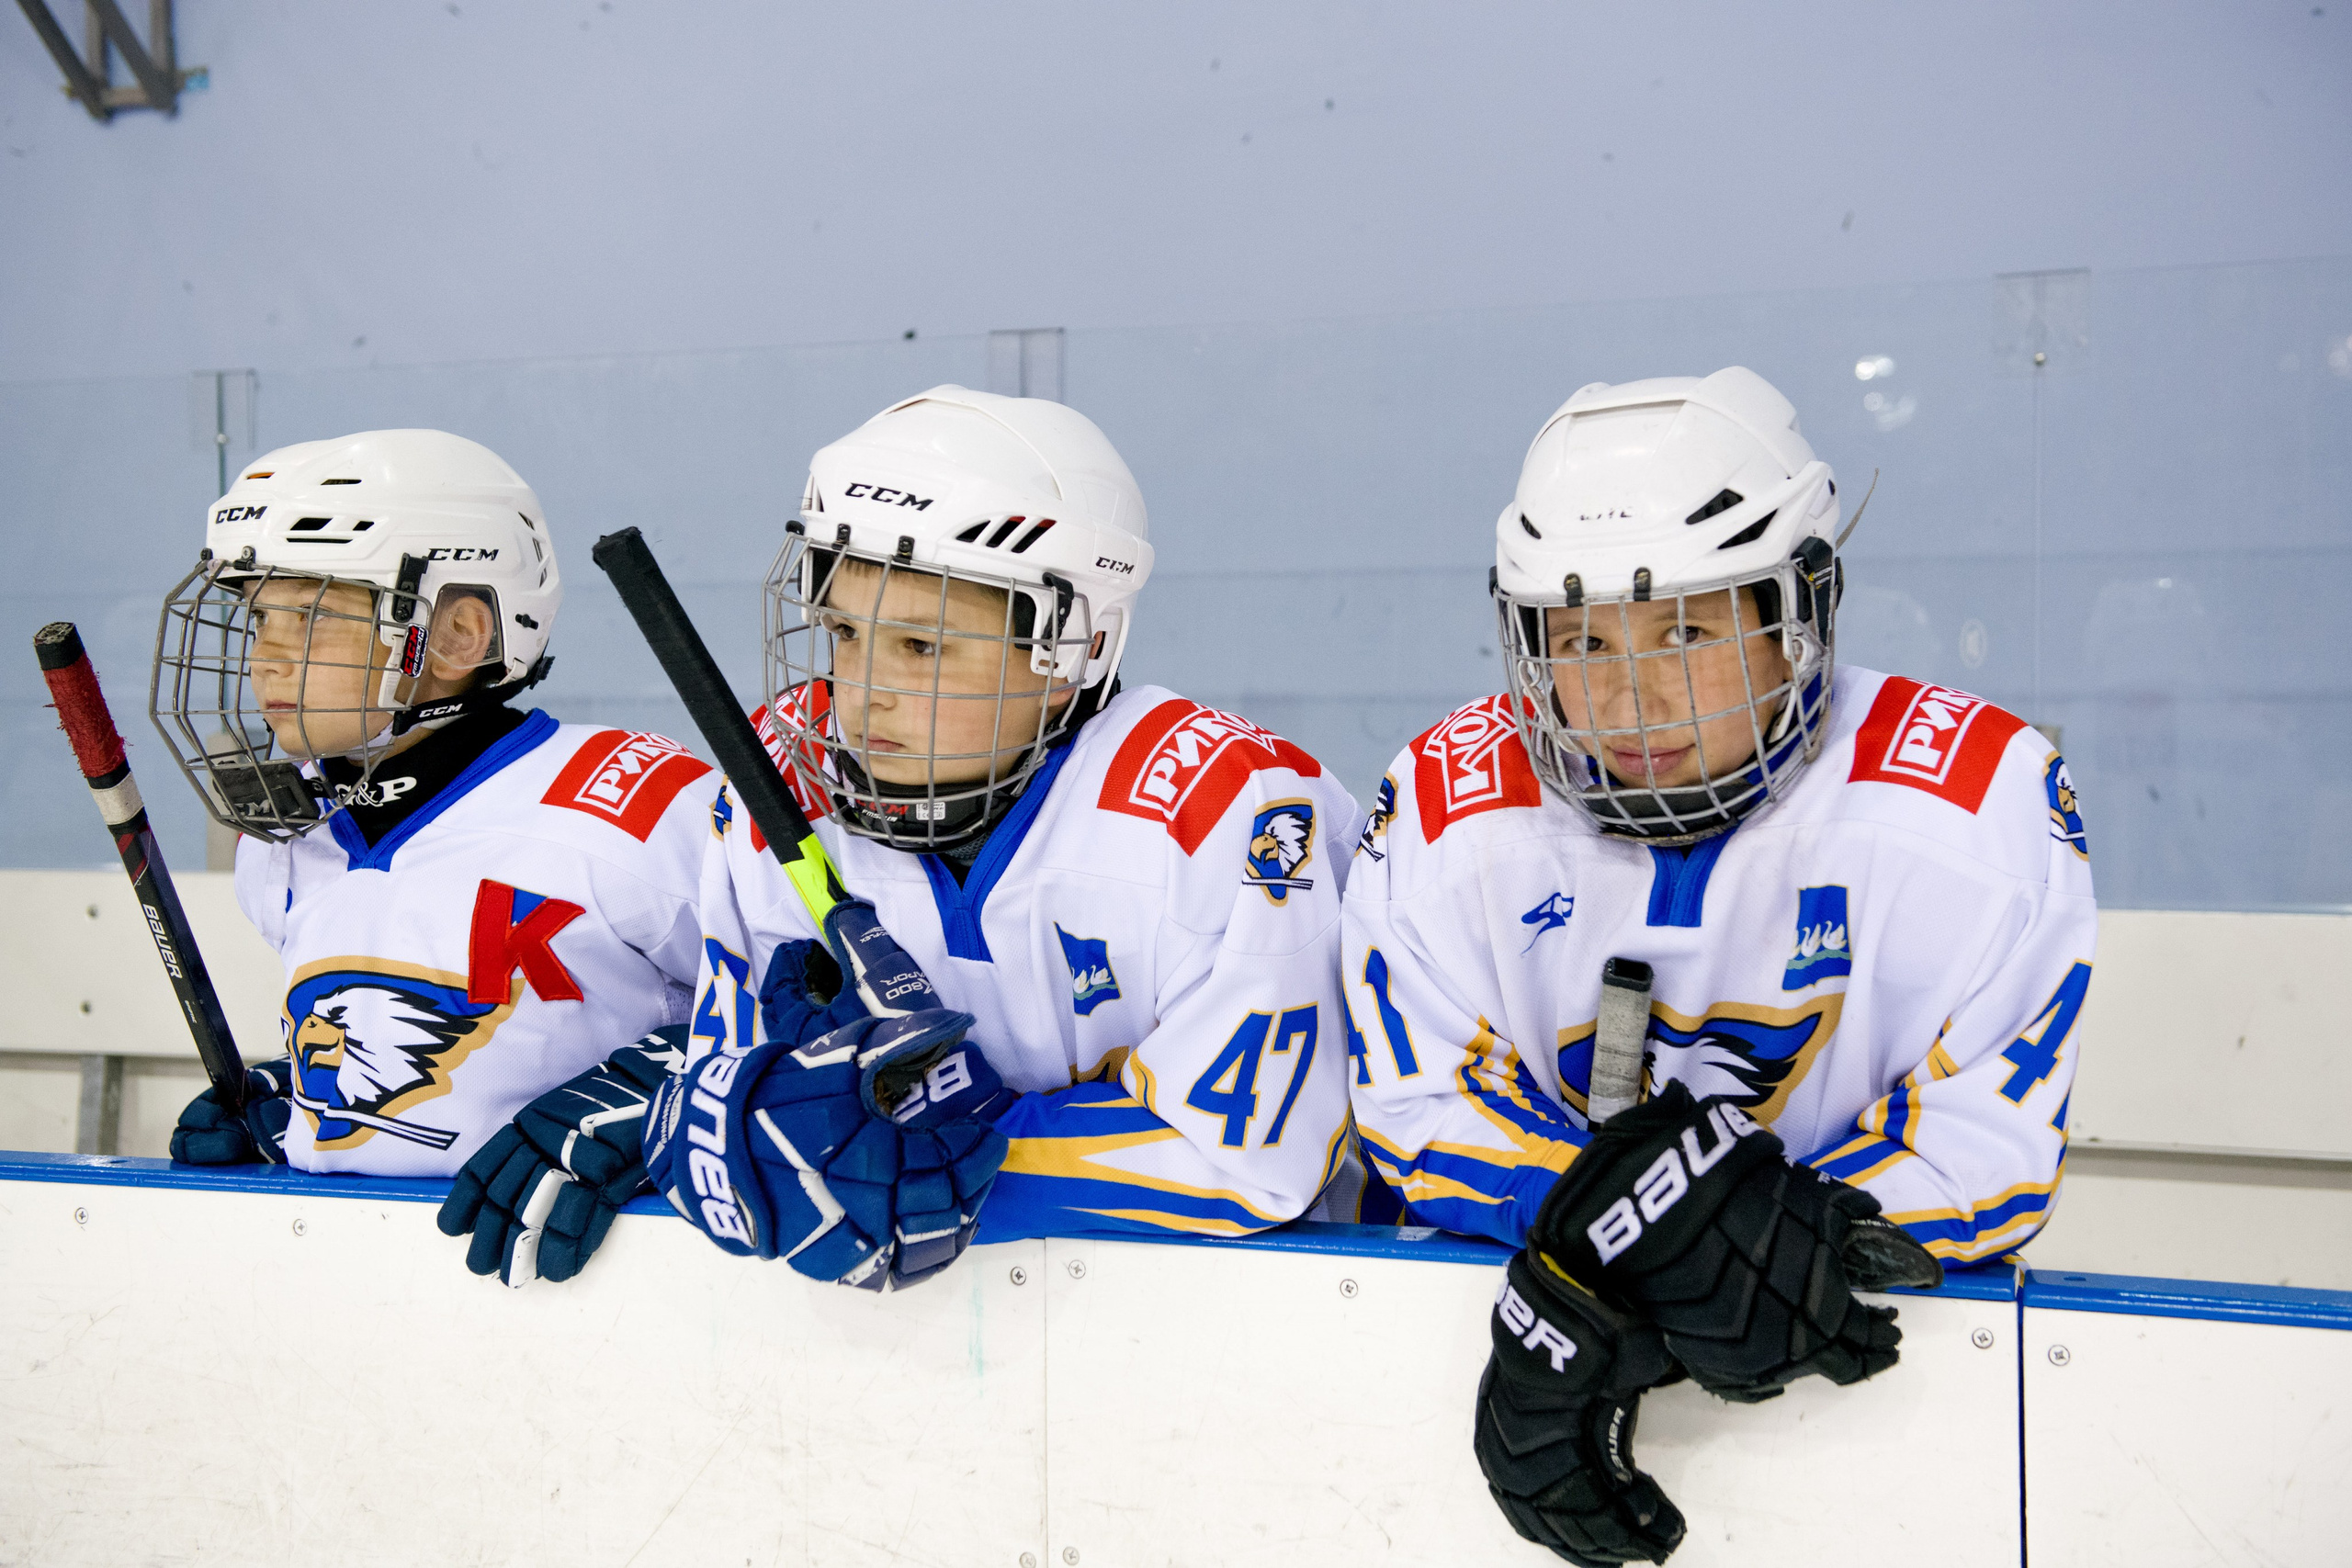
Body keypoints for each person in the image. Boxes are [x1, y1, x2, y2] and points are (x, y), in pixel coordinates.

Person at [1341, 368, 2094, 1563]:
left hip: (1882, 1438)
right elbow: (1420, 1105)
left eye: (1686, 630)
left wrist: (1680, 1251)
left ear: (1798, 615)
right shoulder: (1444, 810)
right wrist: (1629, 1242)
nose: (1628, 696)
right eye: (1581, 639)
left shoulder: (1972, 804)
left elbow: (1984, 1146)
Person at [642, 385, 1362, 1290]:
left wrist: (951, 1157)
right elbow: (745, 1096)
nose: (859, 693)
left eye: (921, 647)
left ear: (1071, 651)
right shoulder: (782, 779)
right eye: (843, 632)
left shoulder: (1224, 812)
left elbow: (1251, 1161)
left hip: (1225, 1324)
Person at [153, 428, 718, 1287]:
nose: (266, 654)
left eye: (310, 616)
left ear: (457, 632)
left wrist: (662, 1099)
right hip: (357, 1293)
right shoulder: (286, 841)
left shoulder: (637, 801)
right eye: (260, 616)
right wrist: (309, 1096)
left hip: (605, 1294)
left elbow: (813, 1016)